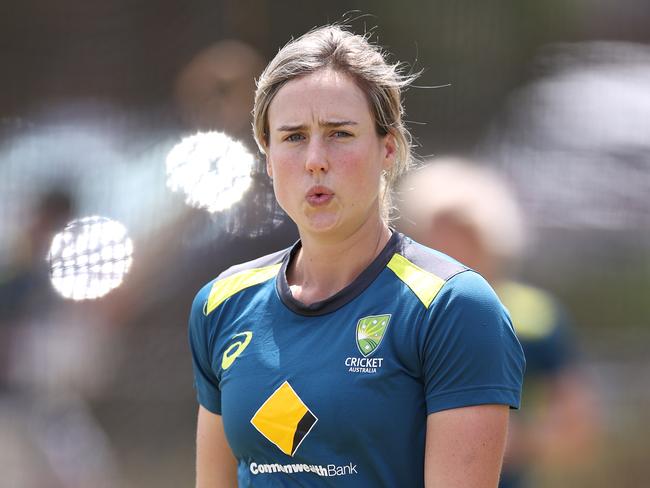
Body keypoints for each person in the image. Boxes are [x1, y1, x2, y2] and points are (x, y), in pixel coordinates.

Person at [188, 26, 525, 487]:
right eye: (292, 137)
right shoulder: (222, 304)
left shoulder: (452, 307)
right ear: (267, 158)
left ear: (387, 147)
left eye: (340, 134)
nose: (314, 160)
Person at [397, 158, 599, 487]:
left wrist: (513, 440)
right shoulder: (400, 311)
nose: (448, 246)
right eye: (437, 232)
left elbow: (577, 427)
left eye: (463, 233)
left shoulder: (536, 317)